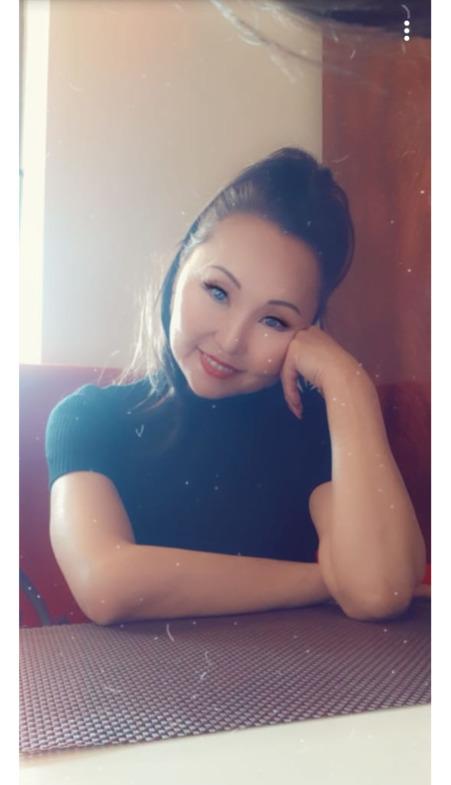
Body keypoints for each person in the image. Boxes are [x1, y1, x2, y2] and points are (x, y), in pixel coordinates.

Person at [45, 147, 426, 626]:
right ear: (179, 268)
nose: (230, 341)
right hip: (132, 678)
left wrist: (347, 382)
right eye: (217, 291)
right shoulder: (86, 418)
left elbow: (377, 591)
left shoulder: (306, 425)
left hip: (290, 674)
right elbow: (105, 583)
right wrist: (326, 581)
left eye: (274, 320)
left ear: (308, 332)